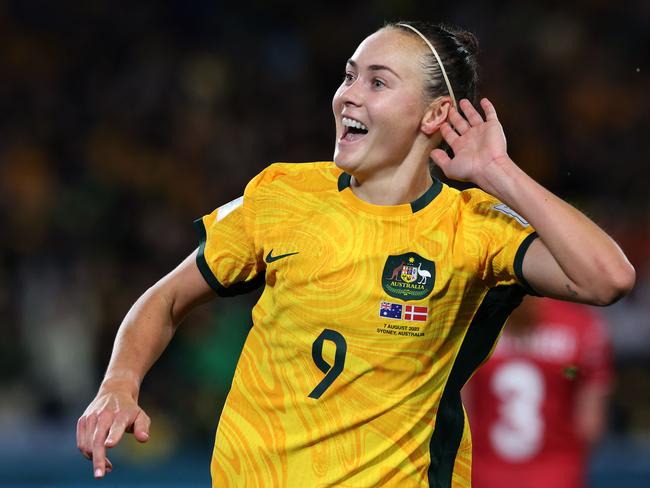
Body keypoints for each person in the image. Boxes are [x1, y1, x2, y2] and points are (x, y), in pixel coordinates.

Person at [76, 21, 635, 487]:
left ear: (434, 115)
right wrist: (118, 384)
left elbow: (607, 279)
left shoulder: (474, 229)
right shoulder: (282, 194)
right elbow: (169, 297)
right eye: (348, 76)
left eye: (377, 81)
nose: (348, 94)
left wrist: (499, 174)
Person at [463, 297, 613, 488]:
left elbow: (458, 413)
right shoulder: (583, 326)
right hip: (558, 475)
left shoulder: (474, 324)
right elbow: (590, 427)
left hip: (482, 474)